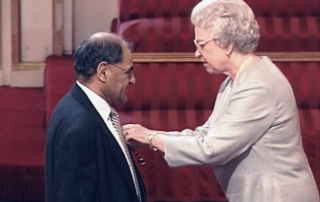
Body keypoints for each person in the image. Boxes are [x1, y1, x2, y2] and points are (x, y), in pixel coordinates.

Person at [123, 0, 320, 201]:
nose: (197, 53)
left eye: (201, 44)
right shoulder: (234, 81)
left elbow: (212, 149)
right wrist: (152, 136)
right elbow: (204, 135)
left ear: (227, 43)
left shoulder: (258, 85)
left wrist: (150, 138)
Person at [45, 32, 147, 202]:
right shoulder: (80, 127)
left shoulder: (75, 106)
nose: (133, 80)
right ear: (103, 72)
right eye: (128, 72)